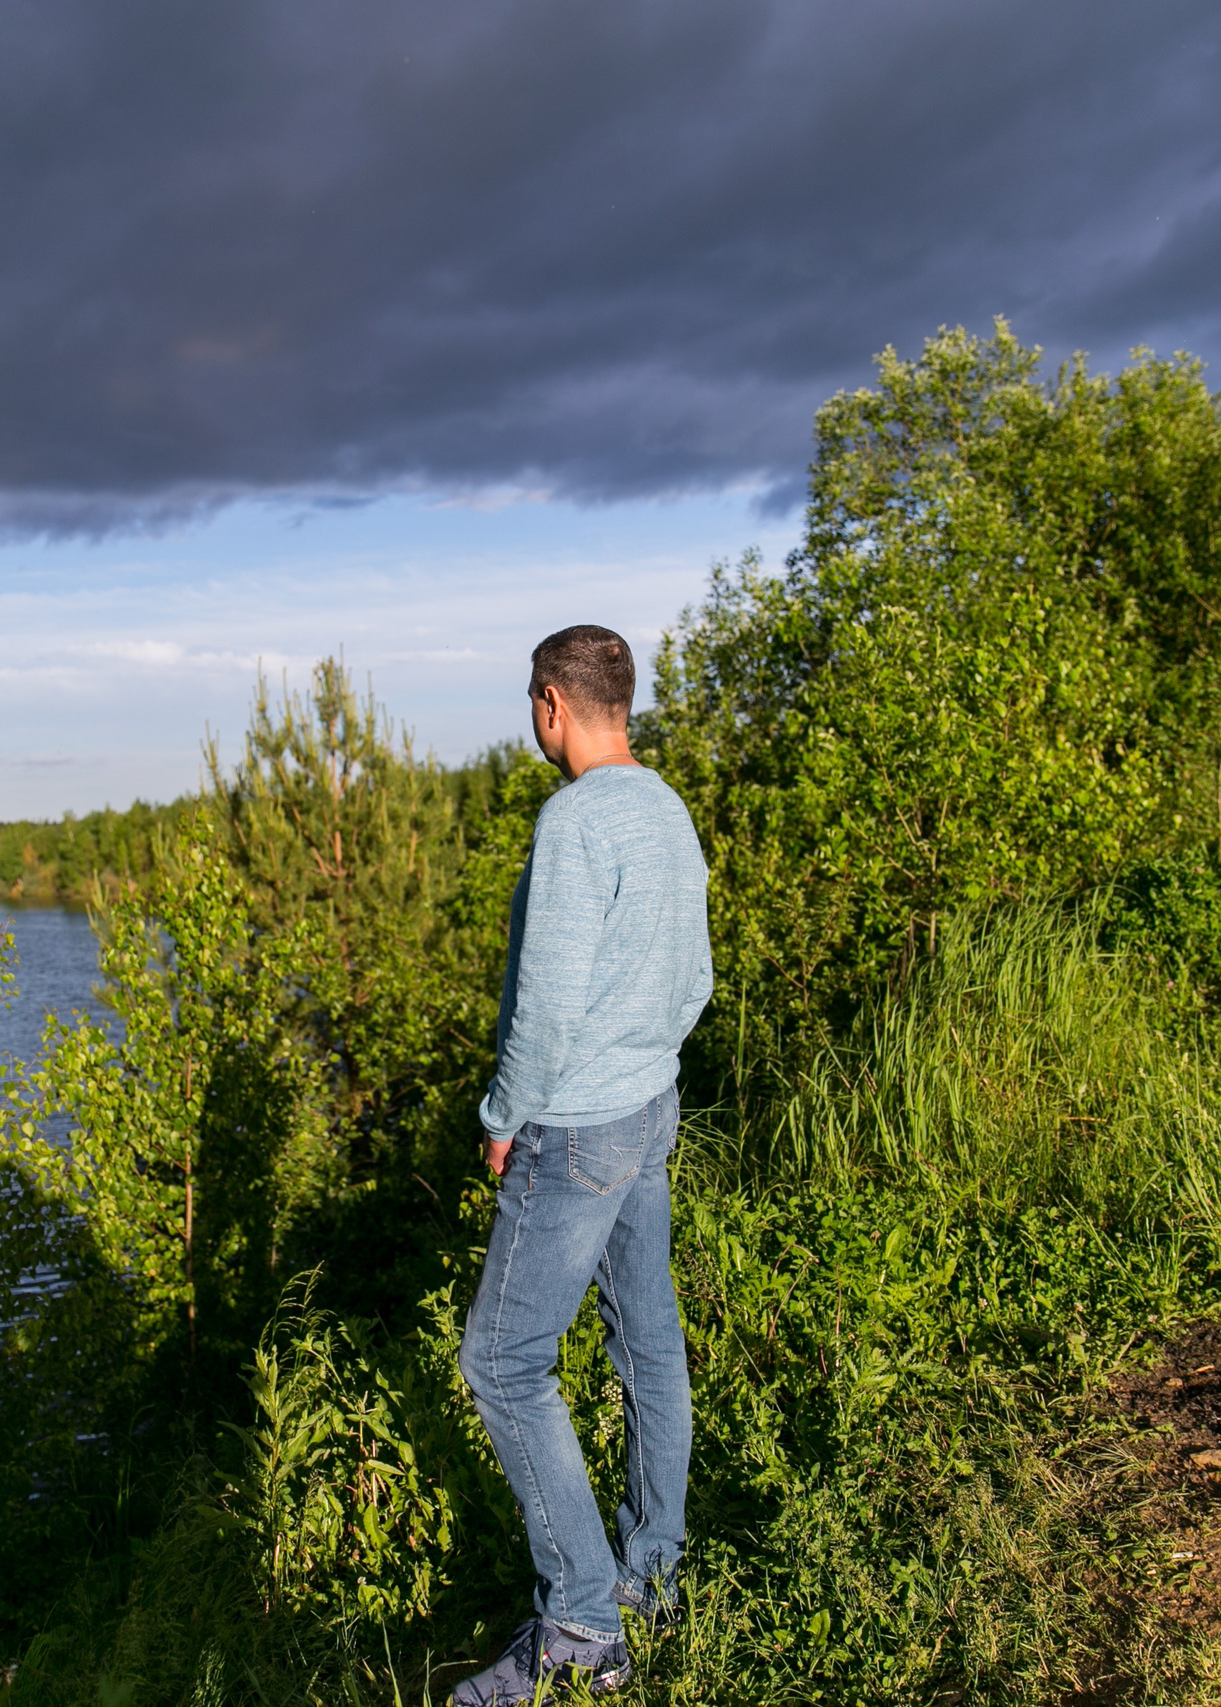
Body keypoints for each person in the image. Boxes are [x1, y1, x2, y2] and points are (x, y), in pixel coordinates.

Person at [451, 625, 714, 1707]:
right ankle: (654, 1572)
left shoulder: (574, 821)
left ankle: (581, 1624)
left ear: (552, 705)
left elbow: (548, 1004)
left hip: (576, 1126)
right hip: (650, 1107)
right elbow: (694, 975)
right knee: (648, 1341)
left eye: (532, 704)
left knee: (502, 1364)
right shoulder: (664, 806)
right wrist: (646, 1063)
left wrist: (507, 1114)